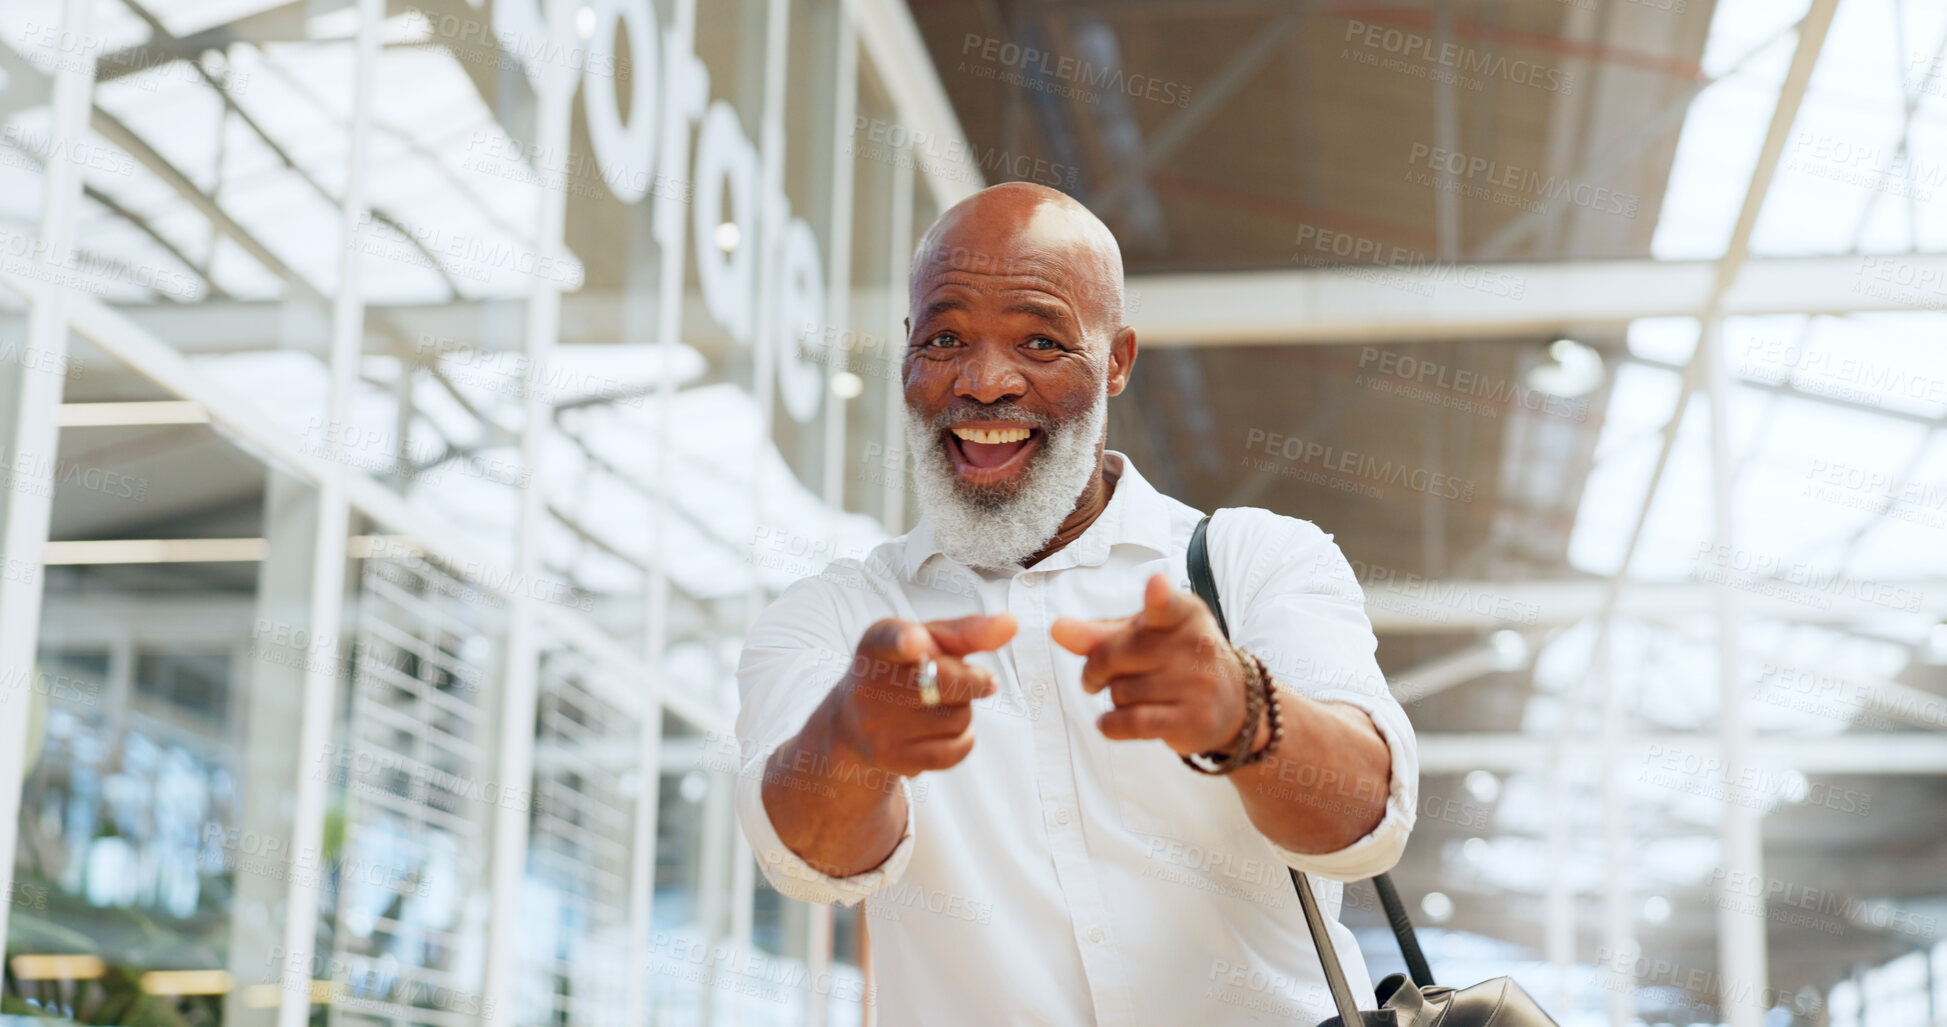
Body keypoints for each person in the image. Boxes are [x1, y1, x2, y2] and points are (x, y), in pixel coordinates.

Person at [736, 181, 1416, 1025]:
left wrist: (1243, 714)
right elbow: (808, 856)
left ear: (1118, 360)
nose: (983, 381)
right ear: (908, 350)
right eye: (946, 337)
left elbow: (1365, 818)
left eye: (1041, 341)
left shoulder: (1255, 563)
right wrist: (852, 739)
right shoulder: (835, 619)